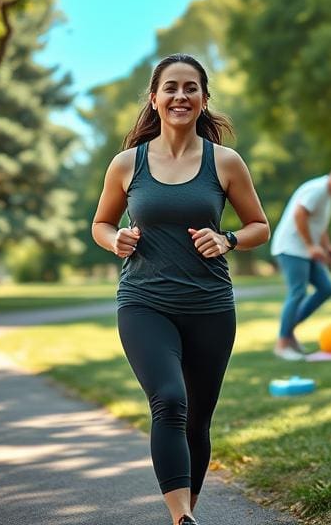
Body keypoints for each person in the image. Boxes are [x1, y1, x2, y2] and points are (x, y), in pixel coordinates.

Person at [92, 54, 270, 525]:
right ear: (154, 98)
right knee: (169, 400)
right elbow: (101, 223)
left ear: (203, 99)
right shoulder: (127, 163)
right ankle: (181, 518)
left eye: (191, 88)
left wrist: (227, 238)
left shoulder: (225, 162)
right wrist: (117, 240)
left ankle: (186, 510)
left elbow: (259, 226)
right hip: (144, 302)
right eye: (170, 87)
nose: (180, 96)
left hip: (209, 306)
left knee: (198, 419)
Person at [271, 161, 331, 360]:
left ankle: (289, 331)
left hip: (306, 250)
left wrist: (326, 246)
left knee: (326, 288)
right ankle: (282, 343)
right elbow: (299, 214)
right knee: (298, 292)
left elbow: (318, 223)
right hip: (292, 248)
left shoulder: (327, 195)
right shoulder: (318, 189)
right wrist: (311, 245)